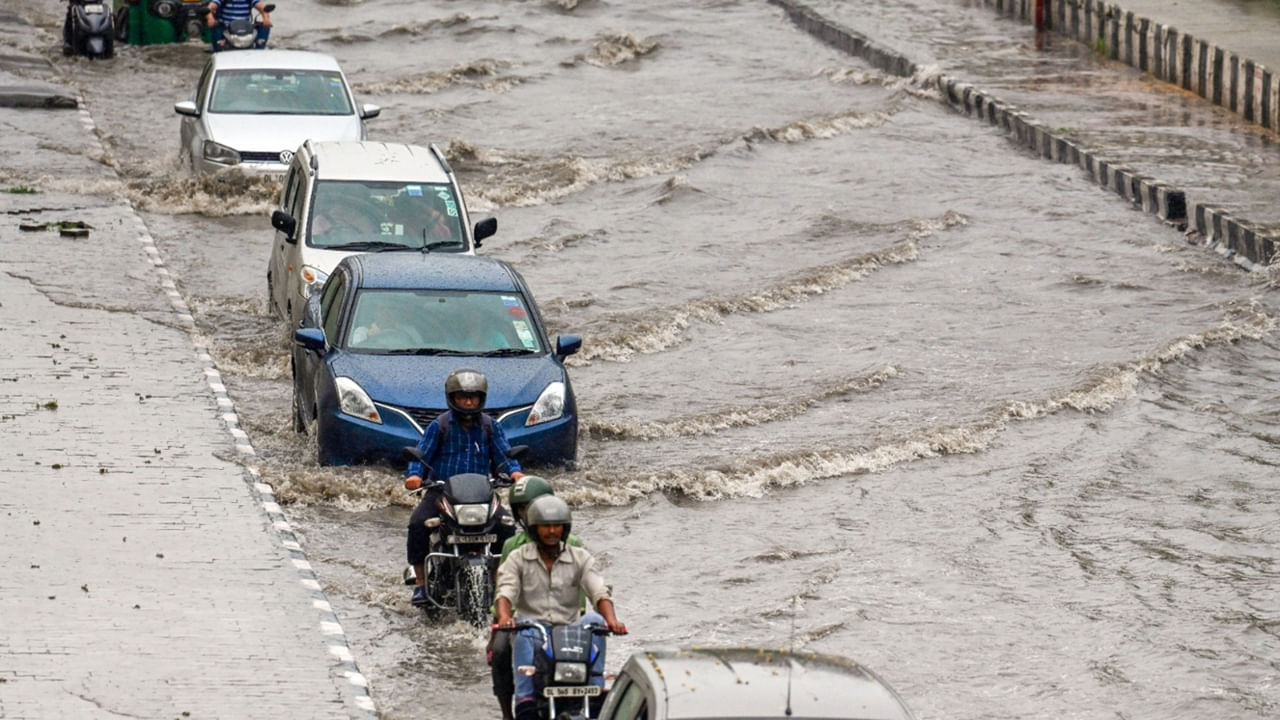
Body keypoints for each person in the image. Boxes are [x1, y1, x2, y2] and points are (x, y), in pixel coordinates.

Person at [495, 495, 627, 720]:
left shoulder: (580, 557)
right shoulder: (517, 558)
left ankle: (595, 690)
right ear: (534, 529)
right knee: (524, 630)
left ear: (565, 528)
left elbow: (598, 591)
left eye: (557, 526)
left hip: (571, 632)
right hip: (535, 632)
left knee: (595, 622)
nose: (552, 531)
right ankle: (524, 701)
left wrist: (612, 620)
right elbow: (506, 591)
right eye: (545, 526)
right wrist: (506, 617)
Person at [404, 368, 523, 606]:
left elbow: (504, 455)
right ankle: (420, 583)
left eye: (473, 397)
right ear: (452, 398)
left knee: (507, 526)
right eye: (462, 397)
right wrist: (415, 477)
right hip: (442, 492)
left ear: (481, 398)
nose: (468, 402)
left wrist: (515, 472)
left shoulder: (491, 426)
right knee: (417, 524)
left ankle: (502, 581)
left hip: (482, 493)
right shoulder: (439, 426)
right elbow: (420, 456)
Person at [488, 476, 584, 720]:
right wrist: (500, 623)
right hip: (524, 622)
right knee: (499, 652)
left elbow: (583, 586)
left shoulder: (572, 545)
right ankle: (508, 712)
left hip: (564, 619)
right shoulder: (512, 545)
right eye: (522, 508)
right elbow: (504, 590)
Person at [206, 0, 272, 51]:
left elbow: (262, 8)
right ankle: (218, 51)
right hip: (227, 31)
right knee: (216, 28)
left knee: (265, 27)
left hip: (245, 30)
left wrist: (266, 18)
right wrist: (210, 18)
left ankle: (259, 51)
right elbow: (210, 7)